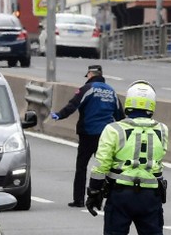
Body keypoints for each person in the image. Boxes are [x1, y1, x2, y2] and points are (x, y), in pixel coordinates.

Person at [85, 80, 168, 235]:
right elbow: (159, 161)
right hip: (150, 195)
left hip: (120, 194)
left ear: (128, 104)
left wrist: (93, 193)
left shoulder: (114, 129)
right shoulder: (162, 130)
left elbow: (101, 164)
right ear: (152, 105)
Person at [51, 64, 124, 208]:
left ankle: (79, 200)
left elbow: (73, 105)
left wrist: (59, 115)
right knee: (106, 167)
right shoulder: (112, 92)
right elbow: (120, 116)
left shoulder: (87, 89)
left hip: (88, 134)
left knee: (82, 167)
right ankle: (107, 199)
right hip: (106, 135)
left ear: (90, 74)